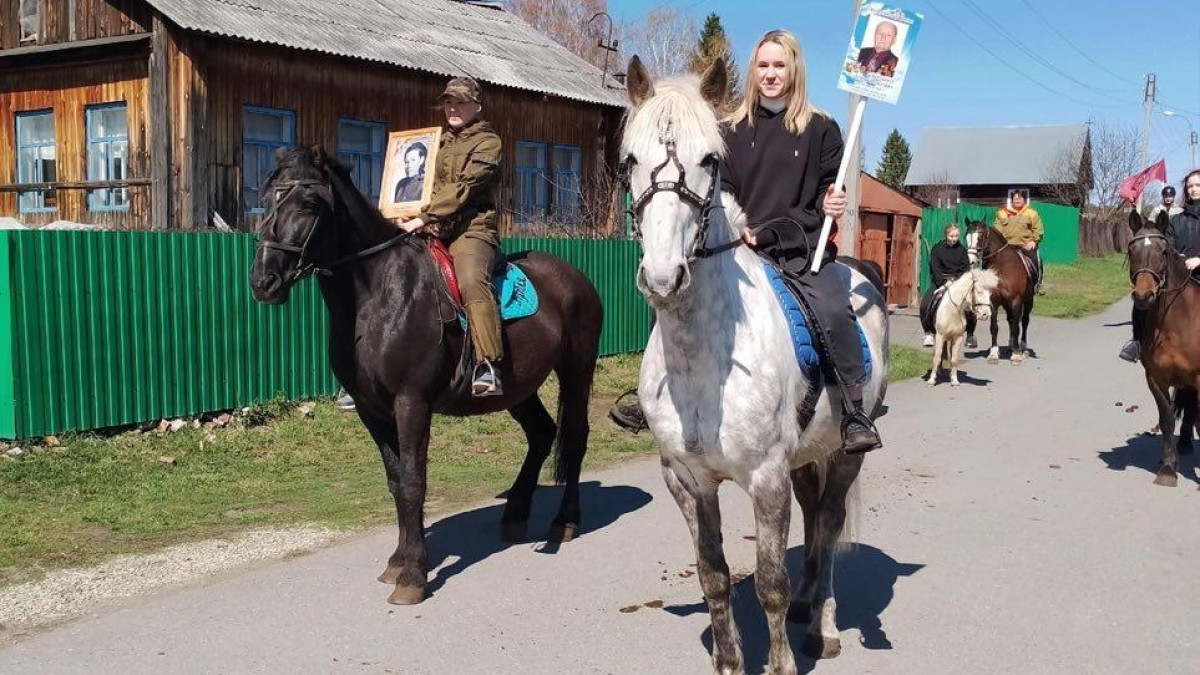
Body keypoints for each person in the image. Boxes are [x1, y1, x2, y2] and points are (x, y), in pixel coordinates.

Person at [724, 29, 881, 454]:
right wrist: (735, 223)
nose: (770, 74)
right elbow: (722, 188)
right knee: (678, 290)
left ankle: (854, 411)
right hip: (741, 250)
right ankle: (657, 398)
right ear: (752, 70)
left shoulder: (821, 128)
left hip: (802, 251)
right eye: (763, 65)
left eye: (779, 65)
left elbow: (828, 189)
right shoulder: (730, 130)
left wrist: (832, 202)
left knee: (833, 309)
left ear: (794, 69)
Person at [398, 76, 506, 396]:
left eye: (460, 102)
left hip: (471, 228)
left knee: (471, 280)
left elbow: (464, 189)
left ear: (477, 106)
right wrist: (404, 210)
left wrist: (422, 216)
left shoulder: (489, 143)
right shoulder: (434, 142)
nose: (453, 109)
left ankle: (488, 364)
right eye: (448, 102)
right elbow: (418, 183)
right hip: (431, 227)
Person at [1120, 170, 1200, 362]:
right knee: (1144, 296)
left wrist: (1199, 260)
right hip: (1180, 275)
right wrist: (1177, 257)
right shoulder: (1176, 220)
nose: (1193, 189)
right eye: (1190, 186)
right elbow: (1168, 245)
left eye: (1198, 185)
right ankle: (1137, 341)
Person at [920, 223, 977, 348]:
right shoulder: (937, 249)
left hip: (958, 282)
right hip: (940, 281)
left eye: (956, 236)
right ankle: (928, 333)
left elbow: (965, 269)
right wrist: (944, 283)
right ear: (946, 235)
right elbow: (935, 268)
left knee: (971, 305)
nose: (954, 239)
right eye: (951, 236)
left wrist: (956, 281)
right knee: (925, 304)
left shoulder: (962, 250)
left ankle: (971, 335)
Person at [993, 189, 1043, 292]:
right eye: (1015, 198)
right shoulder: (1002, 213)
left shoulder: (1031, 213)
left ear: (1024, 200)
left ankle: (1036, 284)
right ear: (1011, 200)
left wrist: (1033, 241)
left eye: (1020, 198)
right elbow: (996, 231)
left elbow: (1038, 229)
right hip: (1006, 247)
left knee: (1036, 260)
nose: (1017, 200)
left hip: (1024, 246)